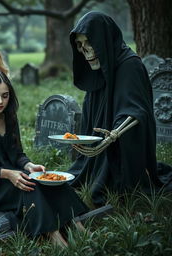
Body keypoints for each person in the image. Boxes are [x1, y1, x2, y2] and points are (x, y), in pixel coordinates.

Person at [0, 69, 88, 247]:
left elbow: (17, 154)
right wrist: (9, 174)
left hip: (11, 172)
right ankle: (53, 235)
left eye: (5, 95)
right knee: (32, 188)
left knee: (52, 181)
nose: (0, 101)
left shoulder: (9, 117)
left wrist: (30, 165)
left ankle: (77, 225)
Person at [67, 11, 172, 207]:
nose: (86, 51)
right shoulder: (97, 68)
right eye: (80, 46)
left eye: (89, 43)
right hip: (100, 148)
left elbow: (136, 111)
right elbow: (92, 110)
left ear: (102, 39)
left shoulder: (130, 65)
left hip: (125, 148)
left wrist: (113, 135)